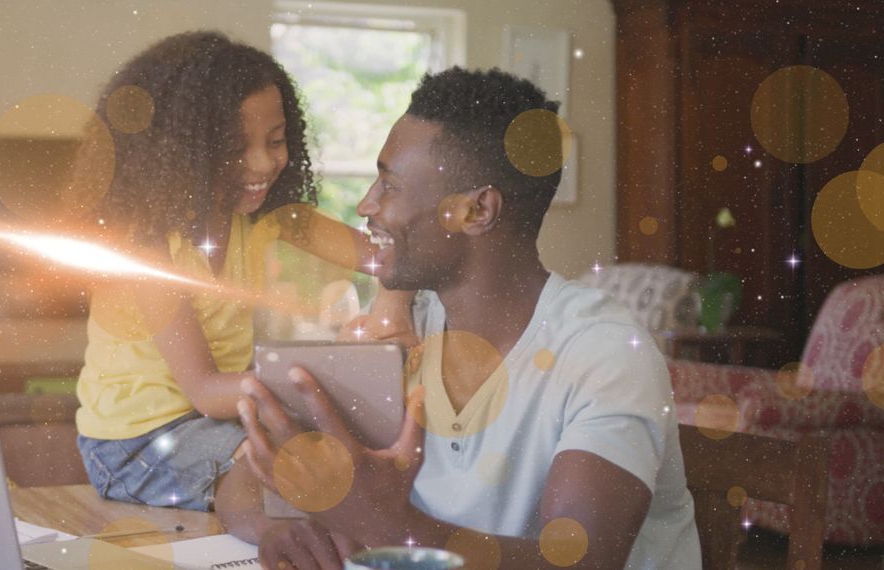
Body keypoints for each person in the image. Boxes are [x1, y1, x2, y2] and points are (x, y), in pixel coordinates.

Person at [233, 67, 702, 569]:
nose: (367, 204)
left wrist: (379, 522)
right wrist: (276, 527)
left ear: (478, 212)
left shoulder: (604, 356)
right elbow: (239, 483)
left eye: (389, 185)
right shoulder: (403, 326)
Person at [72, 31, 413, 515]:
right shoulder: (146, 248)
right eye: (235, 147)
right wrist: (328, 381)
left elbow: (398, 256)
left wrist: (391, 307)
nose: (262, 163)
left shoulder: (273, 220)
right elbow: (207, 391)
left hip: (220, 418)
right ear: (180, 150)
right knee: (281, 474)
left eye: (275, 142)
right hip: (135, 444)